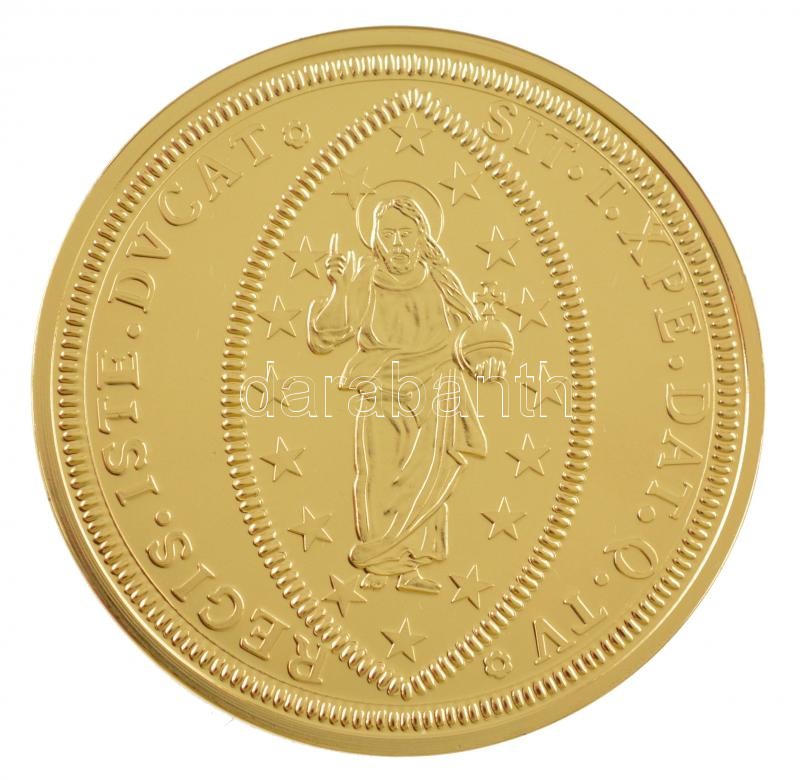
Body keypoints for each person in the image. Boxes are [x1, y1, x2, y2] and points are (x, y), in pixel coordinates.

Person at [308, 196, 499, 593]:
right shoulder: (366, 278)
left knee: (427, 479)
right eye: (389, 234)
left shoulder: (442, 280)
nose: (397, 243)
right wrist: (339, 288)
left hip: (436, 393)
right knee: (378, 477)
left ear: (422, 237)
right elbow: (326, 335)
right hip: (384, 391)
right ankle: (378, 567)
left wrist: (490, 357)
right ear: (376, 238)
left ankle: (410, 569)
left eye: (406, 234)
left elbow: (471, 335)